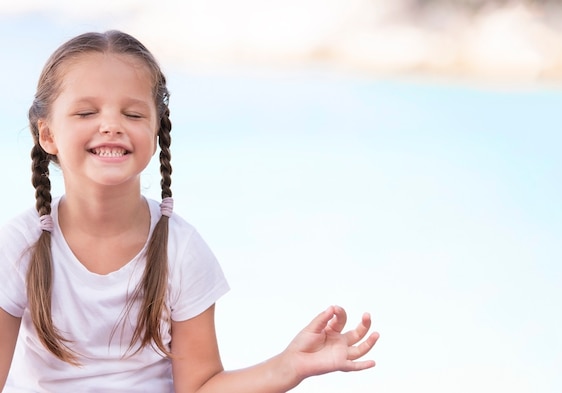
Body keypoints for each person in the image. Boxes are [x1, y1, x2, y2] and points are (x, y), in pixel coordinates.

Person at [0, 30, 379, 392]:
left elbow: (199, 387)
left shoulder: (180, 249)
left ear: (156, 133)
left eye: (133, 115)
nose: (111, 125)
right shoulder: (19, 245)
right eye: (86, 113)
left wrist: (288, 366)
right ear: (47, 134)